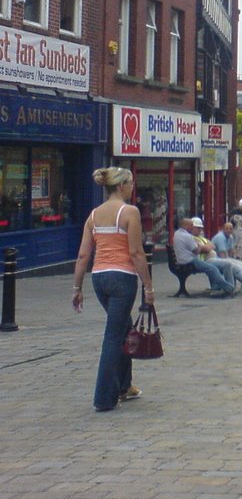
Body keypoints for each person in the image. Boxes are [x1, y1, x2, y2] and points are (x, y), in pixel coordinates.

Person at [72, 167, 155, 412]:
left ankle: (125, 385)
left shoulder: (94, 215)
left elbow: (83, 255)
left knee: (123, 327)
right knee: (113, 336)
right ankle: (104, 398)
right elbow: (136, 253)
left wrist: (77, 287)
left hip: (99, 278)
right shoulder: (129, 212)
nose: (132, 186)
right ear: (120, 186)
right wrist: (148, 286)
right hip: (122, 278)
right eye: (130, 182)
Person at [173, 216, 234, 297]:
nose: (192, 227)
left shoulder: (177, 234)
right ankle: (228, 287)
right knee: (212, 269)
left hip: (181, 260)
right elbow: (197, 250)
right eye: (191, 225)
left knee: (212, 267)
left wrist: (200, 245)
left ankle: (217, 288)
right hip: (190, 261)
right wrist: (200, 246)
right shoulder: (187, 236)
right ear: (186, 226)